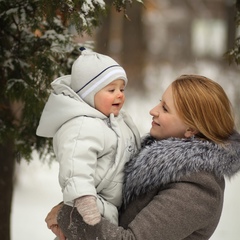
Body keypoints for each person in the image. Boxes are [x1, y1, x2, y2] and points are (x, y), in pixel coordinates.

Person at [45, 74, 240, 240]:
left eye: (165, 109)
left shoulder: (198, 189)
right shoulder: (152, 161)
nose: (153, 111)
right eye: (159, 102)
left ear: (191, 128)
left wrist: (69, 216)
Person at [36, 47, 141, 228]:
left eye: (122, 88)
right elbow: (76, 165)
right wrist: (84, 199)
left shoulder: (116, 121)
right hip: (93, 205)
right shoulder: (81, 126)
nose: (120, 94)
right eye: (111, 90)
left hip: (111, 205)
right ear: (89, 95)